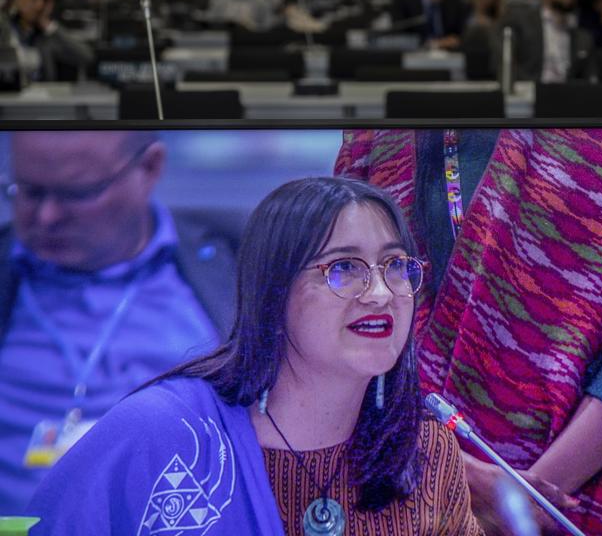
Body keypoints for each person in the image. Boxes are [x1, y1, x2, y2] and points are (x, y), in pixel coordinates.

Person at [27, 177, 483, 535]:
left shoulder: (422, 452)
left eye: (396, 266)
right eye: (344, 268)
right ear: (274, 291)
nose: (382, 293)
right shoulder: (166, 434)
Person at [336, 128, 602, 535]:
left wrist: (536, 496)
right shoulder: (375, 141)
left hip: (574, 495)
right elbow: (337, 334)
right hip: (407, 490)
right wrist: (462, 478)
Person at [0, 131, 241, 515]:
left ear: (149, 168)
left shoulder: (239, 261)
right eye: (27, 191)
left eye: (77, 194)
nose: (46, 216)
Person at [495, 0, 594, 82]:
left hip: (569, 97)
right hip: (531, 96)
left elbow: (590, 80)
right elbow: (503, 66)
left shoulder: (583, 35)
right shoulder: (518, 24)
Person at [0, 0, 94, 82]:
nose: (40, 4)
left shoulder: (48, 35)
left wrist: (50, 26)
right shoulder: (4, 28)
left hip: (44, 97)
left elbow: (87, 57)